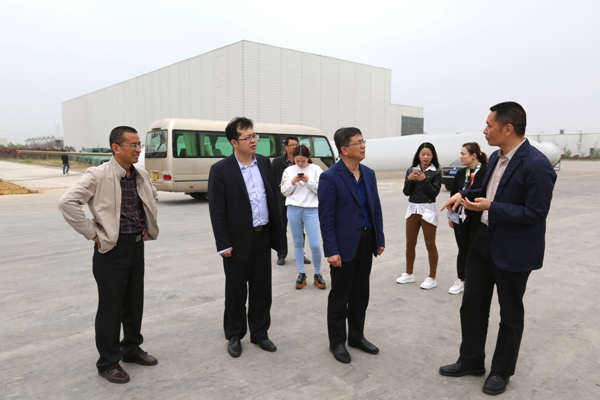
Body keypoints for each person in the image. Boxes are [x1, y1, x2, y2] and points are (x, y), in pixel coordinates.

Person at [439, 102, 557, 396]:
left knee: (510, 314)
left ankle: (501, 371)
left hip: (514, 250)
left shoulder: (537, 165)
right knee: (472, 305)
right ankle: (471, 360)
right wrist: (463, 194)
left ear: (508, 129)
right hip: (483, 241)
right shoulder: (496, 156)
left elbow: (536, 213)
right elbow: (488, 192)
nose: (484, 130)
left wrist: (492, 206)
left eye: (489, 125)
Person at [58, 126, 159, 384]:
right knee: (111, 307)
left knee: (134, 302)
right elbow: (67, 202)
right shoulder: (98, 175)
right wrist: (93, 233)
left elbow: (153, 195)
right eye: (133, 145)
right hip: (112, 250)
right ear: (116, 148)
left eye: (139, 145)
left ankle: (131, 347)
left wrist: (146, 223)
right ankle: (108, 362)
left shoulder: (140, 174)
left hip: (136, 246)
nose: (138, 149)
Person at [208, 117, 283, 359]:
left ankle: (260, 333)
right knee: (236, 291)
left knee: (262, 289)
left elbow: (271, 198)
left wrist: (277, 234)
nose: (253, 140)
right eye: (247, 137)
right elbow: (217, 211)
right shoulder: (221, 170)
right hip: (237, 240)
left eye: (254, 135)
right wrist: (223, 243)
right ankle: (234, 335)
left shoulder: (264, 163)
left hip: (262, 236)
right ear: (234, 142)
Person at [318, 127, 385, 364]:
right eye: (358, 142)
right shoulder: (330, 177)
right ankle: (337, 341)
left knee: (360, 293)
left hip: (366, 240)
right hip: (343, 245)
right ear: (344, 149)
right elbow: (326, 218)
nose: (363, 145)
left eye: (363, 141)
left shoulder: (368, 174)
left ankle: (356, 336)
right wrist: (331, 250)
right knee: (340, 295)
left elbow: (375, 207)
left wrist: (379, 238)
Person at [396, 142, 442, 289]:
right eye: (423, 154)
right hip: (413, 209)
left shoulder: (436, 172)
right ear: (418, 156)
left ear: (433, 156)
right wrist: (409, 180)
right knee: (410, 244)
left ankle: (432, 277)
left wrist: (424, 180)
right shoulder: (411, 170)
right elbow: (406, 192)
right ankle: (409, 273)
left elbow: (434, 193)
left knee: (430, 244)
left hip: (428, 209)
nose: (425, 157)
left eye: (428, 154)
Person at [280, 145, 325, 289]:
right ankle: (301, 273)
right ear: (293, 158)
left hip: (312, 209)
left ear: (308, 158)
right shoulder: (288, 170)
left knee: (315, 244)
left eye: (303, 161)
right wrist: (293, 181)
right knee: (298, 242)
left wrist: (308, 181)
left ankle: (317, 273)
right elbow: (284, 191)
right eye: (297, 160)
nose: (300, 164)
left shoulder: (316, 169)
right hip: (293, 209)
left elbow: (322, 190)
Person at [446, 142, 488, 295]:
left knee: (476, 250)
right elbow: (453, 195)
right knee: (463, 249)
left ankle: (475, 280)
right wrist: (452, 216)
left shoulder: (486, 172)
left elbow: (485, 193)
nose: (461, 157)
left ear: (474, 155)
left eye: (463, 154)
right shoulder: (461, 173)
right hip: (460, 218)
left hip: (477, 218)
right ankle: (462, 280)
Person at [272, 137, 311, 266]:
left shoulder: (302, 162)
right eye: (292, 145)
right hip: (281, 199)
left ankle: (301, 254)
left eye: (296, 144)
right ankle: (281, 254)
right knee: (281, 227)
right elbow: (272, 181)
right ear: (286, 147)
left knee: (299, 228)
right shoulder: (277, 162)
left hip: (298, 200)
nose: (294, 147)